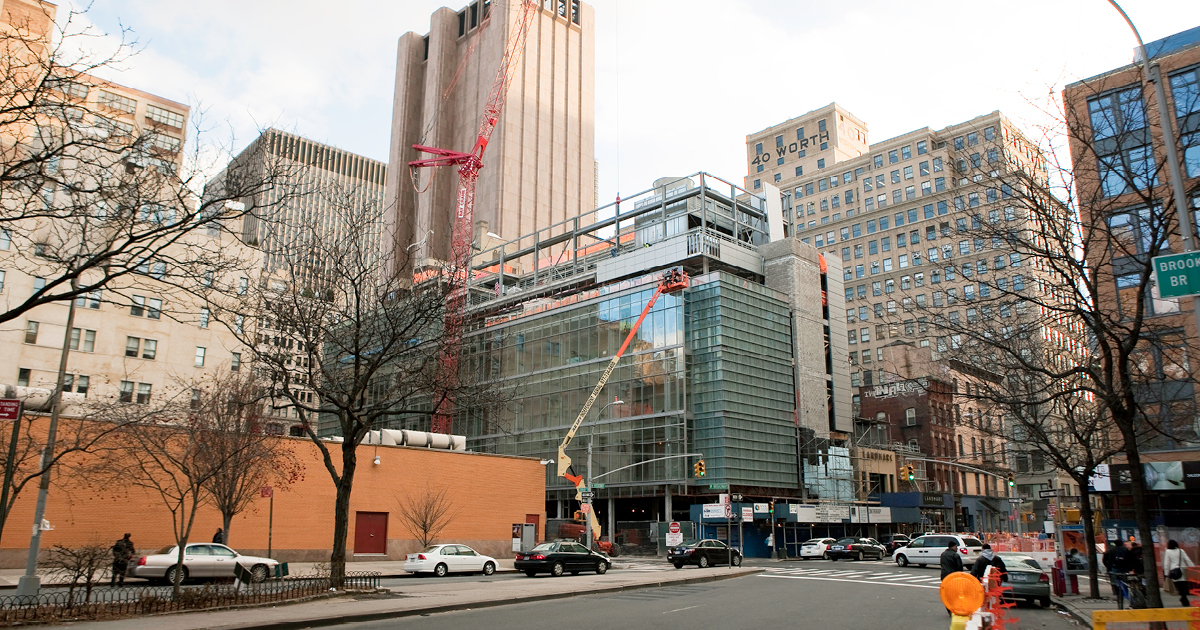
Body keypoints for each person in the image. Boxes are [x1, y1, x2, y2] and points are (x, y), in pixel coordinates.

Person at [1164, 539, 1194, 607]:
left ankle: (1183, 598)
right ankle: (1184, 598)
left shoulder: (1168, 551)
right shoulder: (1181, 551)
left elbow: (1166, 563)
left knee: (1178, 586)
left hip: (1174, 570)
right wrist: (1192, 567)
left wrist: (1166, 573)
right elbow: (1187, 560)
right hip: (1183, 569)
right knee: (1184, 585)